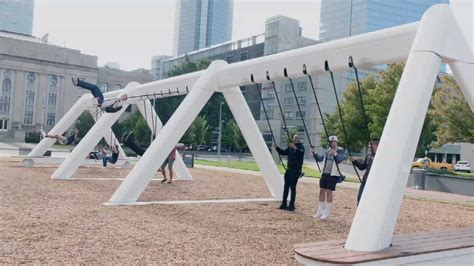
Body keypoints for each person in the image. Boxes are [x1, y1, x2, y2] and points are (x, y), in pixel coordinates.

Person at [311, 135, 346, 220]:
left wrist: (335, 153)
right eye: (331, 142)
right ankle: (320, 210)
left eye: (334, 142)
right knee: (321, 191)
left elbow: (339, 160)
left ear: (336, 142)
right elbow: (320, 159)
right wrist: (314, 153)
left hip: (333, 174)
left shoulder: (340, 151)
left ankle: (327, 213)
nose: (332, 143)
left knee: (329, 193)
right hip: (325, 173)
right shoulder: (327, 151)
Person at [275, 134, 305, 211]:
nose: (296, 140)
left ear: (299, 140)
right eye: (295, 139)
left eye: (297, 138)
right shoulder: (290, 147)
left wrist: (294, 148)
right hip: (289, 170)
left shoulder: (301, 147)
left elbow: (300, 154)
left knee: (293, 188)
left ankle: (292, 205)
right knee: (286, 187)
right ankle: (284, 204)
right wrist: (277, 148)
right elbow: (284, 152)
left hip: (295, 170)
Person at [350, 139, 379, 205]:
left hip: (374, 183)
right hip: (365, 181)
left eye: (371, 146)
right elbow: (362, 166)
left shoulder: (382, 156)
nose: (369, 148)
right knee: (360, 198)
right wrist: (355, 161)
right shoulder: (369, 156)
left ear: (375, 145)